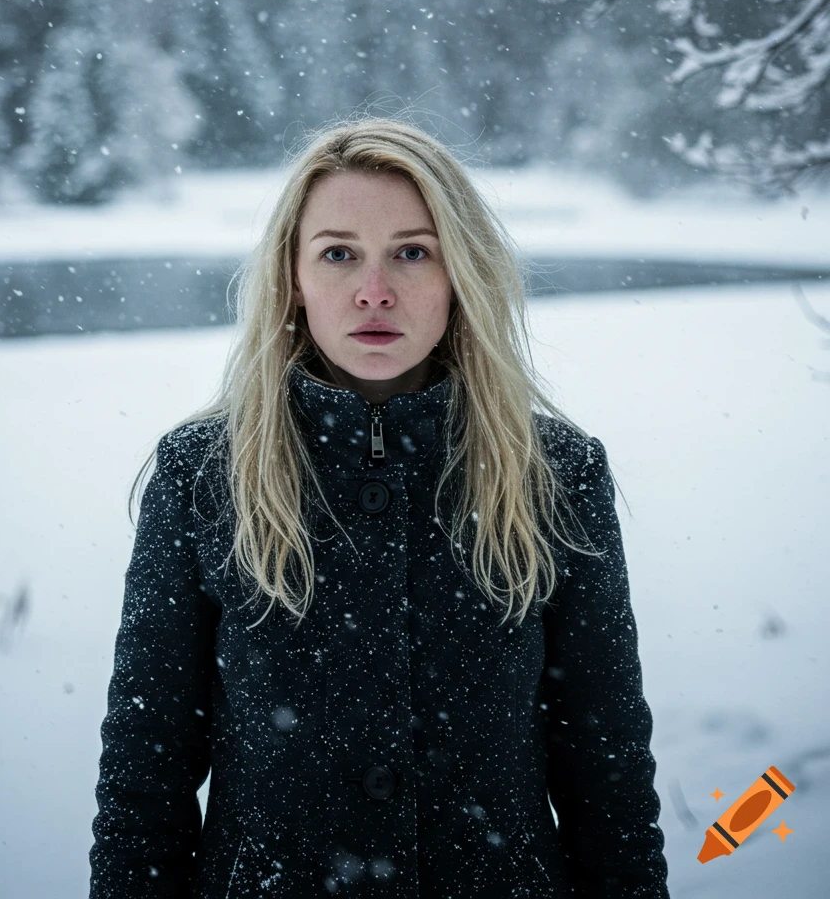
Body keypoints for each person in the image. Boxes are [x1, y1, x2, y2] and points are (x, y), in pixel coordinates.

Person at [89, 117, 670, 898]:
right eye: (337, 253)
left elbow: (610, 776)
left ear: (460, 271)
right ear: (291, 276)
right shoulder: (203, 477)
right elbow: (144, 773)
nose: (374, 290)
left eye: (412, 251)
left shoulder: (556, 476)